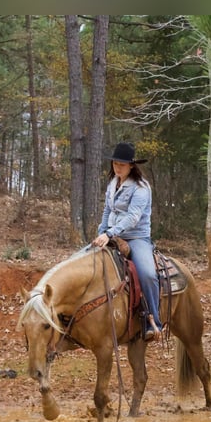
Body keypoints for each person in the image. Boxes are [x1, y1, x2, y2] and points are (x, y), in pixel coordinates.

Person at [92, 142, 162, 341]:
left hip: (136, 237)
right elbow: (107, 210)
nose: (118, 166)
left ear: (132, 165)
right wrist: (101, 232)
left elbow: (133, 218)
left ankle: (154, 322)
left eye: (122, 163)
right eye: (115, 162)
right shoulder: (113, 183)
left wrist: (110, 234)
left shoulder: (141, 188)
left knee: (148, 274)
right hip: (112, 234)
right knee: (84, 260)